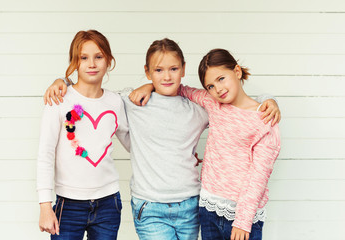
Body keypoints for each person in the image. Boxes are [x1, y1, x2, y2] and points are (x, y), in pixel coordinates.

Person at [44, 39, 280, 240]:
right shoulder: (132, 102)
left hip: (191, 205)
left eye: (173, 69)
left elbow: (237, 107)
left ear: (183, 69)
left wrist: (269, 100)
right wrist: (62, 82)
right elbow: (93, 95)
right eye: (158, 71)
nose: (166, 76)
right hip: (150, 207)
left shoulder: (200, 108)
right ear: (147, 71)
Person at [132, 48, 281, 240]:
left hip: (242, 217)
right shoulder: (213, 103)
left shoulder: (264, 119)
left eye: (221, 79)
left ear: (236, 72)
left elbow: (258, 177)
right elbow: (178, 87)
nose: (217, 89)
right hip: (208, 209)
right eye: (210, 86)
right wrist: (149, 86)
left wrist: (243, 221)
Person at [37, 30, 130, 240]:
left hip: (108, 203)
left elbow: (135, 144)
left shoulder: (115, 102)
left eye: (98, 57)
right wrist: (44, 205)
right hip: (68, 205)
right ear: (75, 62)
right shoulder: (59, 99)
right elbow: (45, 153)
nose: (92, 64)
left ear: (109, 60)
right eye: (84, 58)